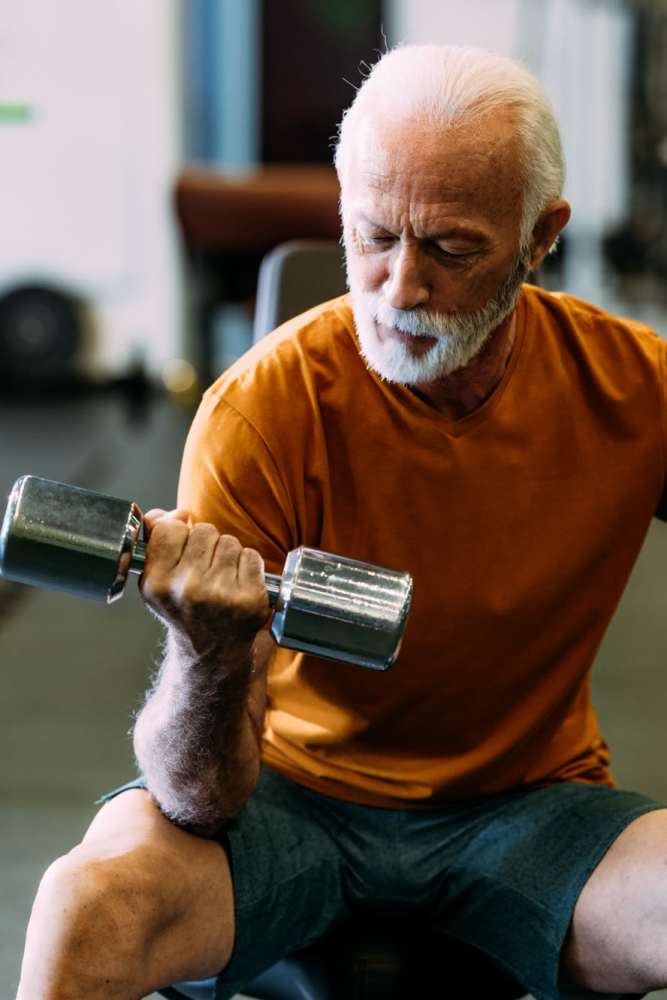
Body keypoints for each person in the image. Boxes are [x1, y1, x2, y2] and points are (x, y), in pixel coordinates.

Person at [16, 44, 667, 1000]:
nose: (400, 288)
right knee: (87, 909)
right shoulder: (261, 411)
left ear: (539, 237)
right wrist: (209, 650)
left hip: (530, 806)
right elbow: (200, 797)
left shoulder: (633, 388)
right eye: (372, 237)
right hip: (288, 802)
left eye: (450, 249)